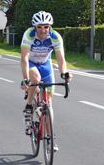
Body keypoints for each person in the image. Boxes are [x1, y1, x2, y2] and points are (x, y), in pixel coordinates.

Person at [20, 11, 72, 151]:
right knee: (35, 79)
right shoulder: (29, 35)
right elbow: (24, 58)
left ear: (50, 27)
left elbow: (61, 59)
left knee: (48, 103)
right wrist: (25, 79)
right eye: (40, 27)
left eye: (46, 26)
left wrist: (64, 73)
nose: (43, 30)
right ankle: (29, 106)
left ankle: (50, 139)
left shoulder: (55, 37)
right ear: (35, 27)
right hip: (31, 63)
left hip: (45, 64)